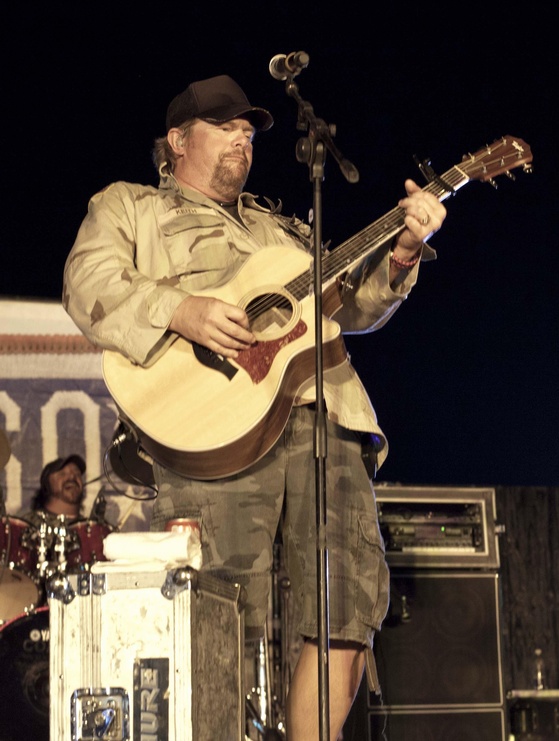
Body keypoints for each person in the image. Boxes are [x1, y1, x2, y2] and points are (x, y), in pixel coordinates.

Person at [62, 74, 446, 740]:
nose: (244, 140)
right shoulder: (130, 206)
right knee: (222, 614)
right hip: (213, 426)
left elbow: (351, 304)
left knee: (345, 608)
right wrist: (182, 309)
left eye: (249, 131)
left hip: (327, 414)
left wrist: (405, 252)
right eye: (226, 127)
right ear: (178, 141)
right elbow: (87, 282)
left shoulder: (282, 225)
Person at [21, 454, 86, 525]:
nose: (72, 476)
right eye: (62, 474)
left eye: (77, 474)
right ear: (47, 484)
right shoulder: (27, 525)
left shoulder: (91, 529)